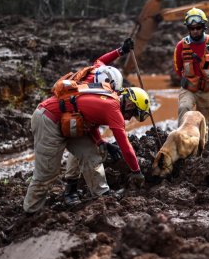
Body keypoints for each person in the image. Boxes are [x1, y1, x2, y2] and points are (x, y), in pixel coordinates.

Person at [23, 83, 150, 213]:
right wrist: (136, 171)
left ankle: (102, 195)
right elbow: (125, 146)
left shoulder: (109, 97)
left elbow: (91, 121)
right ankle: (31, 211)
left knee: (90, 154)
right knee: (47, 171)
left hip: (70, 121)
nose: (129, 118)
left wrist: (100, 142)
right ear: (130, 104)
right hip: (48, 119)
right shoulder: (113, 108)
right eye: (133, 114)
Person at [61, 39, 133, 206]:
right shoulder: (90, 87)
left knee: (86, 143)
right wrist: (99, 141)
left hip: (76, 116)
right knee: (81, 143)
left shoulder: (98, 74)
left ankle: (74, 187)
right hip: (68, 116)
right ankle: (70, 189)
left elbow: (101, 60)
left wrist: (121, 51)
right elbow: (90, 125)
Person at [173, 7, 209, 129]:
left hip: (207, 88)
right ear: (188, 29)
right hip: (189, 88)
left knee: (204, 119)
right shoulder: (181, 46)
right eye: (192, 28)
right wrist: (189, 80)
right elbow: (177, 67)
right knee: (183, 107)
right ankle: (181, 137)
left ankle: (201, 143)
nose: (195, 31)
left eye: (198, 28)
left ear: (203, 27)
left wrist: (208, 76)